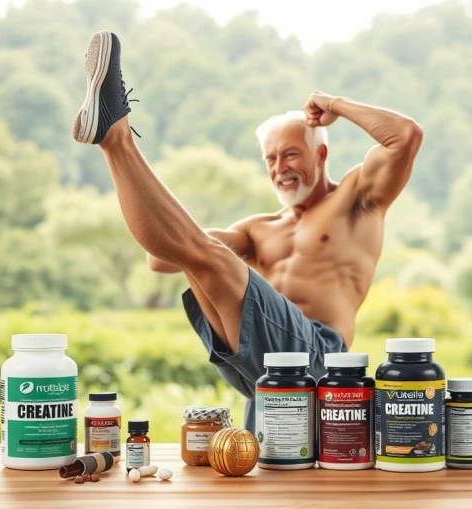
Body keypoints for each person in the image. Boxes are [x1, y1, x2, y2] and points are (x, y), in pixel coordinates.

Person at [72, 31, 423, 431]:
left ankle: (115, 137)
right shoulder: (259, 229)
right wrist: (194, 244)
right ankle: (112, 141)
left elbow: (405, 136)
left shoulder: (356, 199)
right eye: (271, 159)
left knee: (204, 254)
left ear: (321, 154)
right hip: (257, 376)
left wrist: (333, 104)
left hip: (318, 363)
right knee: (196, 258)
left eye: (291, 154)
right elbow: (160, 257)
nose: (280, 168)